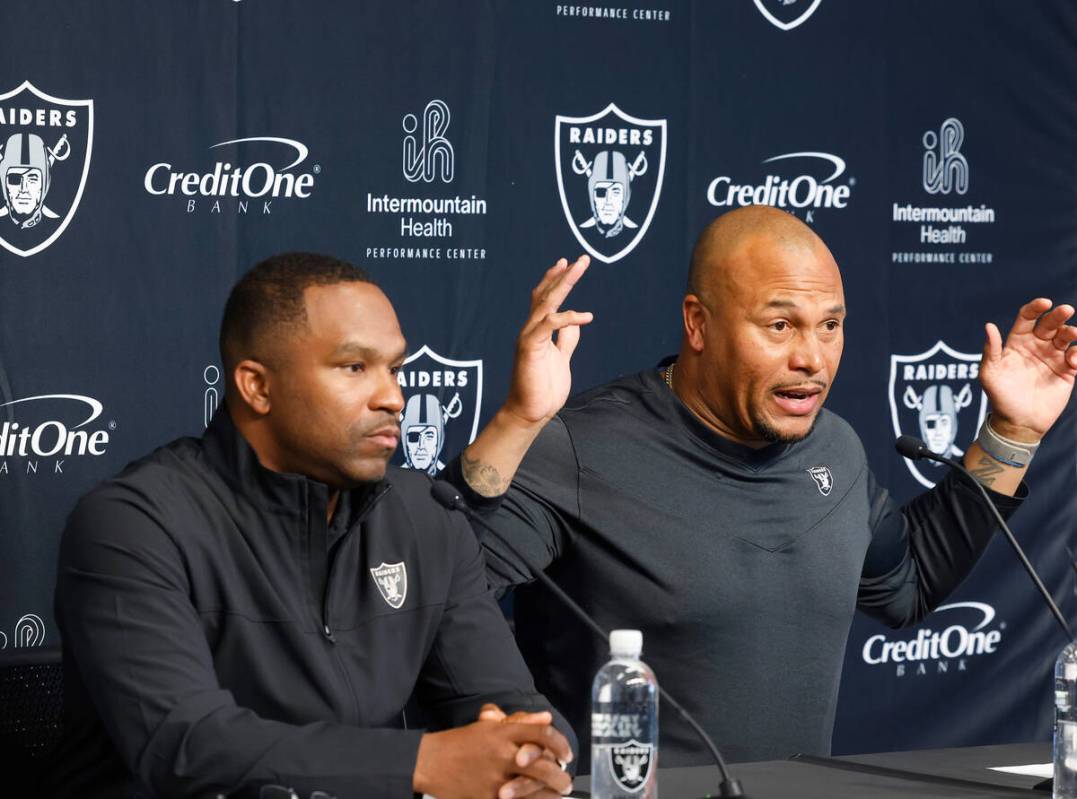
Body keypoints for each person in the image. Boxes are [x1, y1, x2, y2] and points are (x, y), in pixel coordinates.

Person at [442, 205, 1077, 766]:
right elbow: (438, 588)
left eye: (830, 326)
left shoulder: (835, 448)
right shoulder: (578, 448)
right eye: (780, 326)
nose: (813, 358)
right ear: (698, 325)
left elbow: (906, 586)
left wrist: (1011, 433)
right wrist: (516, 424)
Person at [45, 252, 593, 799]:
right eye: (354, 368)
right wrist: (420, 763)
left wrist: (534, 759)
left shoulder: (427, 515)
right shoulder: (133, 524)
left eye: (395, 369)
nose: (393, 398)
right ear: (256, 387)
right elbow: (183, 744)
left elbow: (506, 703)